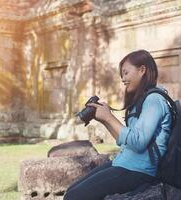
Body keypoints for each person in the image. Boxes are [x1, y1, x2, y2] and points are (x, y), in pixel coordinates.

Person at [63, 50, 172, 200]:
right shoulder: (143, 99)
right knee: (71, 191)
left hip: (138, 170)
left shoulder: (154, 100)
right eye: (122, 75)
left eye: (126, 73)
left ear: (142, 70)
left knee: (74, 197)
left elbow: (139, 142)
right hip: (126, 163)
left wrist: (109, 117)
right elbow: (126, 143)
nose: (123, 79)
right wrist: (105, 120)